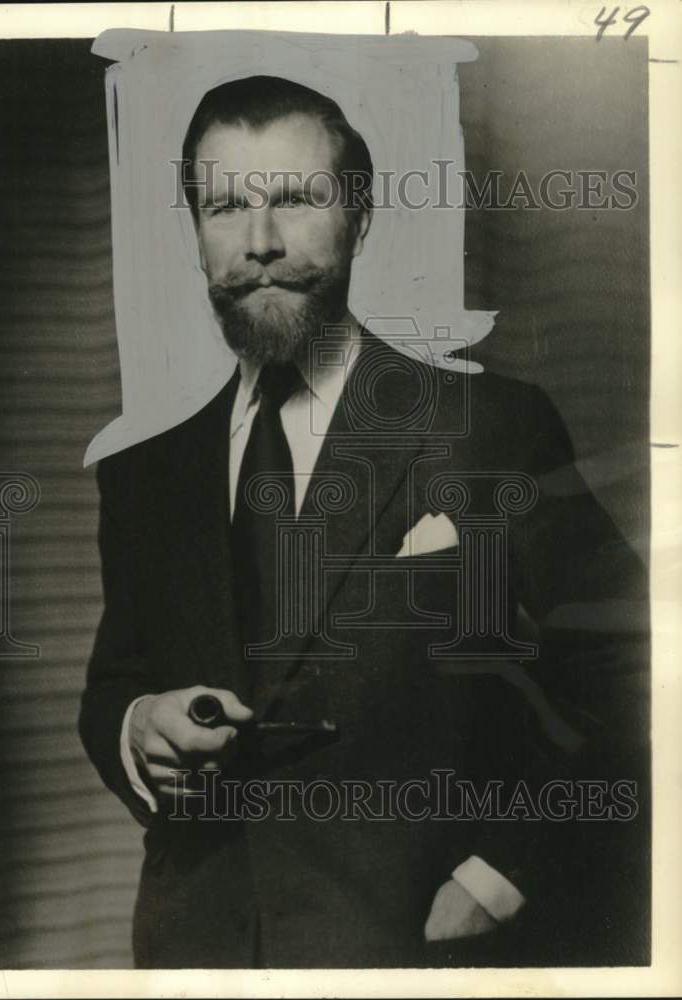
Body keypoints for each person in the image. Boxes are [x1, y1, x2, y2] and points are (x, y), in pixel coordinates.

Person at [79, 76, 648, 968]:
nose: (260, 244)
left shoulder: (492, 429)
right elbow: (113, 687)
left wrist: (502, 874)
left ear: (361, 216)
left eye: (298, 200)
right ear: (194, 235)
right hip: (197, 952)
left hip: (415, 949)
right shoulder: (142, 477)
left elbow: (636, 672)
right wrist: (137, 725)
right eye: (226, 205)